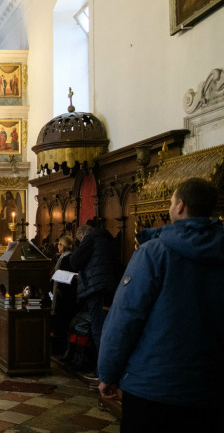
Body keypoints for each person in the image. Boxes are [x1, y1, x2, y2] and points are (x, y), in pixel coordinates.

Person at [98, 178, 224, 432]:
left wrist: (108, 374)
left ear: (180, 206)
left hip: (154, 385)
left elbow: (125, 317)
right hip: (212, 387)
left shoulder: (153, 252)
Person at [70, 223, 120, 377]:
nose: (80, 241)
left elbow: (74, 261)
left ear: (83, 235)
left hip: (96, 289)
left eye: (80, 239)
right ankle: (103, 369)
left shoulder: (90, 239)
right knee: (104, 329)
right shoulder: (105, 240)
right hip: (108, 288)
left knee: (99, 330)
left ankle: (102, 372)